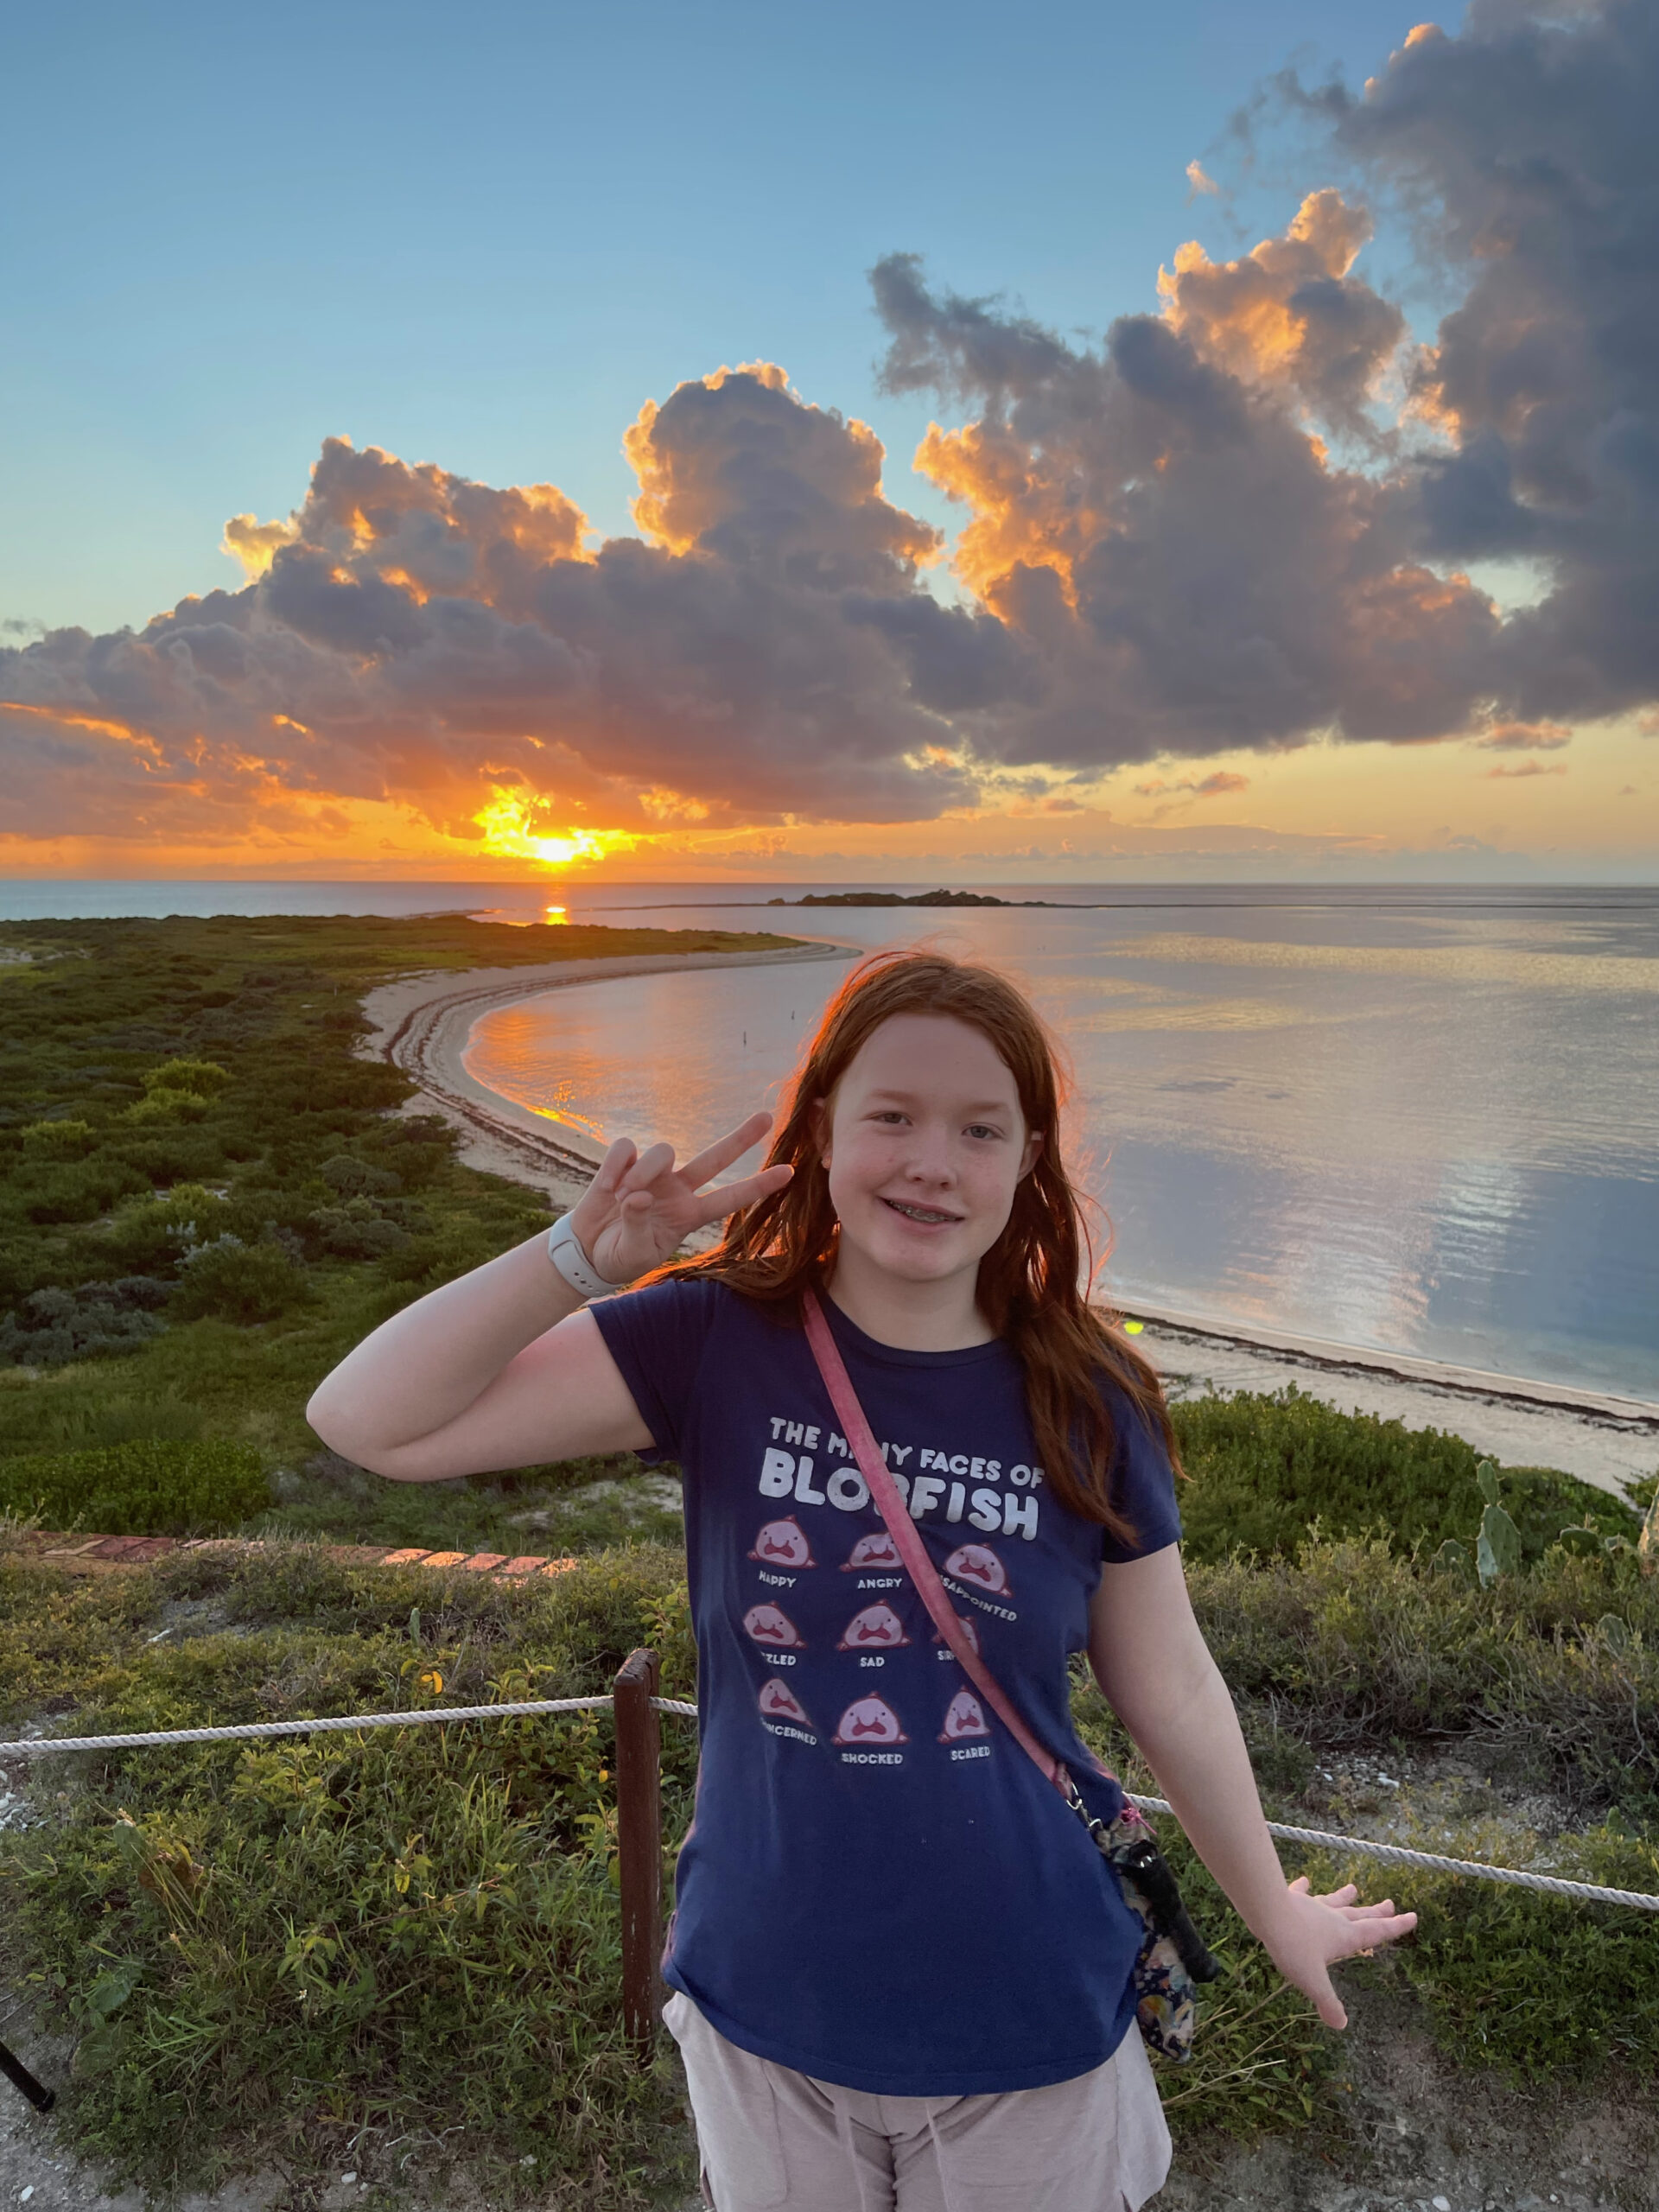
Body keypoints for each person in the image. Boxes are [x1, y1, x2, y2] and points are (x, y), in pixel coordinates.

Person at [308, 949, 1414, 2212]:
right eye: (893, 1116)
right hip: (766, 2008)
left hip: (1027, 2018)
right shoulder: (713, 1338)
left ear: (1028, 1160)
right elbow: (370, 1422)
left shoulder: (1087, 1394)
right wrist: (577, 1258)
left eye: (979, 1129)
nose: (932, 1161)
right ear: (825, 1129)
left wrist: (1271, 1908)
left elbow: (1168, 1683)